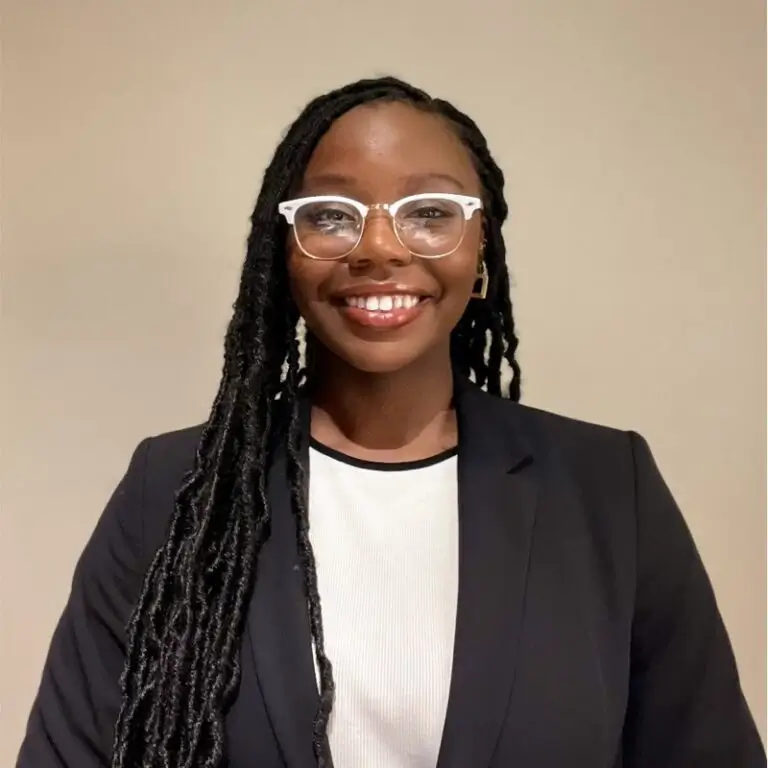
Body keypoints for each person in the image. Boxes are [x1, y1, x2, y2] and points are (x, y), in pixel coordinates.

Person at [16, 76, 764, 768]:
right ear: (285, 256)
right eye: (332, 215)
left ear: (482, 257)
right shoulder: (176, 492)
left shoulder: (607, 489)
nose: (378, 246)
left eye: (431, 212)